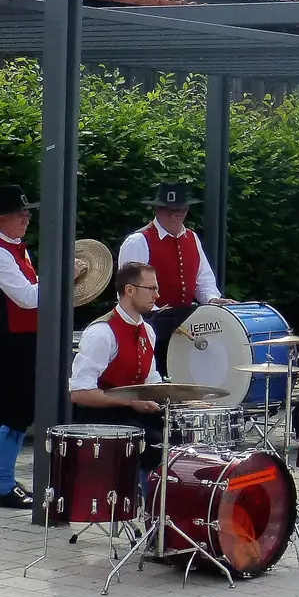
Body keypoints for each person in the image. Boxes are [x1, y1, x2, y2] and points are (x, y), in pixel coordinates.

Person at [0, 185, 87, 510]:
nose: (26, 218)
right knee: (15, 413)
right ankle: (4, 486)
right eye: (20, 213)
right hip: (12, 341)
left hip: (15, 339)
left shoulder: (10, 247)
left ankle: (3, 481)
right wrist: (63, 276)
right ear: (2, 218)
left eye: (26, 212)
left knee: (6, 412)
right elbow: (26, 298)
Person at [117, 181, 234, 377]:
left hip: (183, 325)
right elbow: (128, 290)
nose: (174, 216)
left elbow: (202, 280)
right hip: (150, 326)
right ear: (156, 210)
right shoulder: (138, 241)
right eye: (167, 211)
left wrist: (212, 299)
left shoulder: (192, 238)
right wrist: (156, 312)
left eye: (179, 211)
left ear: (186, 210)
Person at [69, 262, 165, 470]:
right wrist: (130, 402)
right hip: (100, 417)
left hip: (131, 412)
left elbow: (151, 381)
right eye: (151, 289)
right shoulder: (102, 332)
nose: (157, 296)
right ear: (129, 290)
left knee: (177, 432)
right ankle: (142, 496)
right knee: (155, 443)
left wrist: (188, 401)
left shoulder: (148, 331)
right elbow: (80, 393)